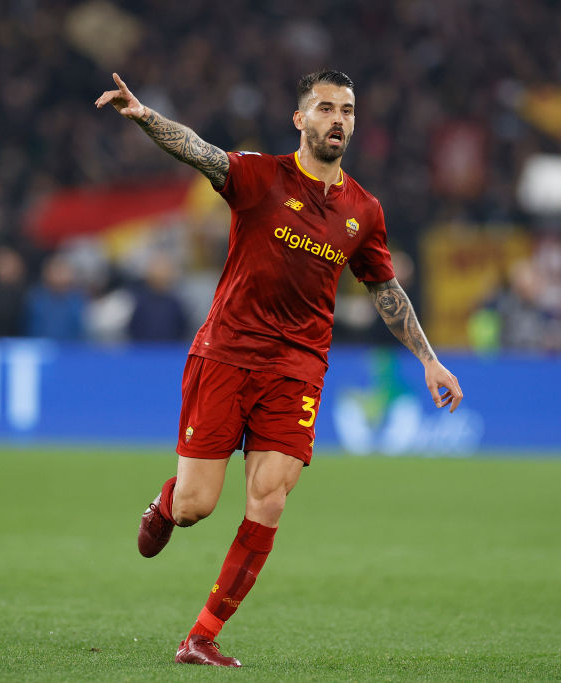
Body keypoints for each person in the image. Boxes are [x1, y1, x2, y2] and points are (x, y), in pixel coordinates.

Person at [94, 69, 463, 667]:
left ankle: (202, 637)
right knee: (197, 506)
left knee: (270, 498)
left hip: (298, 368)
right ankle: (166, 505)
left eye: (346, 109)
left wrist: (429, 359)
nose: (337, 119)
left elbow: (385, 289)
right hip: (227, 353)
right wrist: (146, 118)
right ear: (301, 119)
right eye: (324, 108)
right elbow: (199, 150)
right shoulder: (261, 176)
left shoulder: (364, 210)